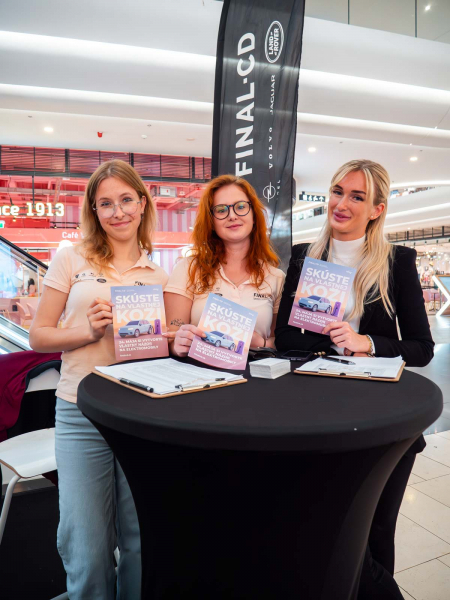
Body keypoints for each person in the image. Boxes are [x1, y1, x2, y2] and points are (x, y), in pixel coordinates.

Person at [275, 159, 434, 599]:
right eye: (337, 191)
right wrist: (329, 338)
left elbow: (422, 348)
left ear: (377, 209)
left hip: (381, 417)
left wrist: (368, 343)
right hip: (319, 414)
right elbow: (286, 337)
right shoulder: (305, 256)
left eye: (357, 197)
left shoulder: (397, 261)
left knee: (377, 532)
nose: (341, 204)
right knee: (323, 530)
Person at [29, 160, 168, 600]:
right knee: (85, 544)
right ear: (94, 209)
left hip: (139, 412)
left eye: (126, 200)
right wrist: (86, 332)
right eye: (105, 203)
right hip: (80, 409)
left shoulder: (158, 274)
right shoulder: (71, 258)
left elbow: (159, 348)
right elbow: (38, 336)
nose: (117, 211)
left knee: (140, 538)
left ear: (142, 204)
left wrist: (171, 337)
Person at [164, 174, 285, 356]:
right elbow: (171, 339)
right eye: (221, 210)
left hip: (257, 372)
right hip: (200, 371)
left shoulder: (276, 277)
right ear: (211, 222)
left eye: (241, 207)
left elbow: (281, 342)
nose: (232, 216)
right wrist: (178, 345)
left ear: (254, 215)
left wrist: (259, 343)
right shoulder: (188, 269)